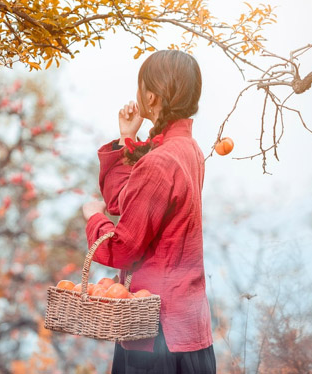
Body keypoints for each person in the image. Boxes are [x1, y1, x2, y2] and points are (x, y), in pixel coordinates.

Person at [82, 50, 216, 374]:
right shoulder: (188, 150)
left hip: (155, 337)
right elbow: (130, 203)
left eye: (141, 87)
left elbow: (124, 248)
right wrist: (128, 138)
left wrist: (93, 218)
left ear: (152, 96)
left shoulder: (159, 161)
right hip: (191, 329)